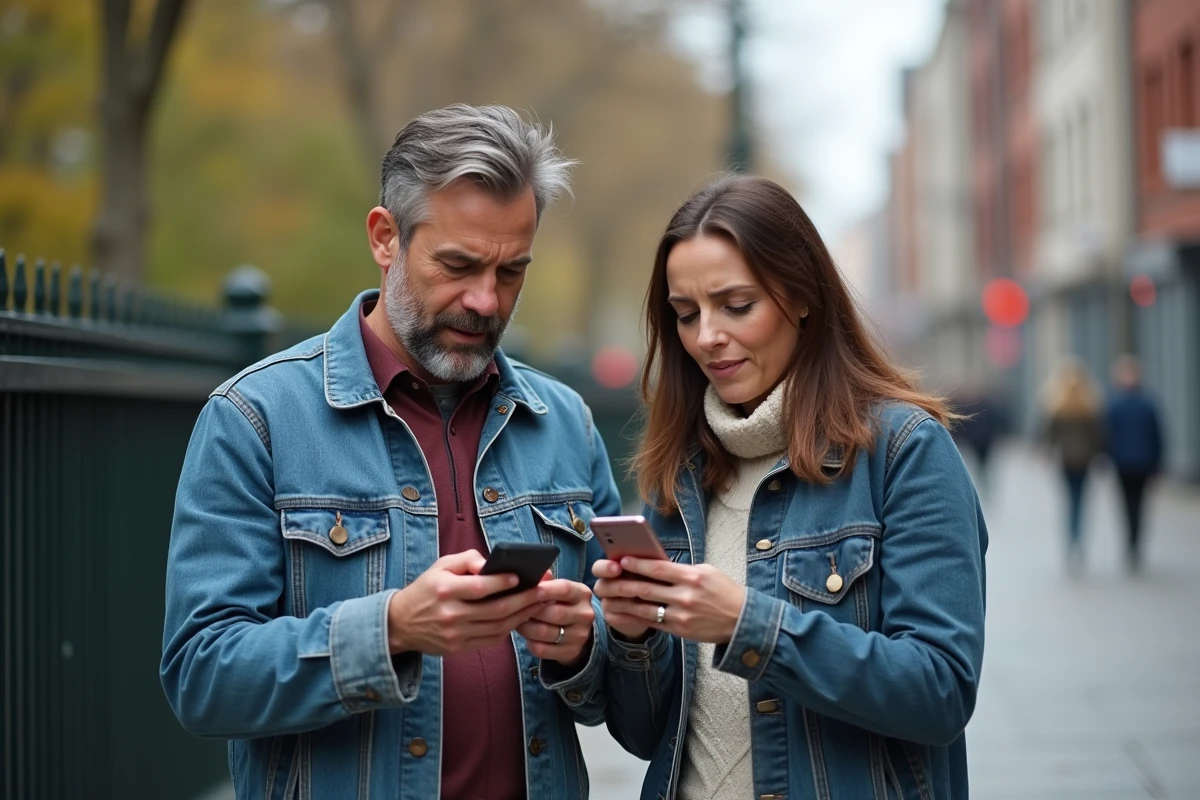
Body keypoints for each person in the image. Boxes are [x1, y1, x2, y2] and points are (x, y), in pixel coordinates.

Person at [160, 105, 633, 799]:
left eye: (511, 272)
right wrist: (390, 629)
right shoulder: (255, 418)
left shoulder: (565, 422)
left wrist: (586, 646)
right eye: (458, 265)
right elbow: (202, 678)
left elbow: (633, 694)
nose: (485, 300)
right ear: (386, 238)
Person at [592, 174, 988, 799]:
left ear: (801, 295)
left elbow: (938, 691)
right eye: (686, 314)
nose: (706, 336)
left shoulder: (906, 451)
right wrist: (633, 636)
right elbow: (649, 737)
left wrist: (749, 625)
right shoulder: (679, 474)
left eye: (736, 305)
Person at [1041, 357, 1106, 572]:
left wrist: (1048, 452)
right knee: (1081, 500)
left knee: (1069, 500)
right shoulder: (1090, 404)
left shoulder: (1057, 404)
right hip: (1085, 460)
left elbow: (1049, 435)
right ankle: (1078, 538)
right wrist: (1099, 455)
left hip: (1065, 460)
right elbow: (1097, 436)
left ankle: (1071, 539)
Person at [1105, 354, 1163, 572]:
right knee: (1138, 504)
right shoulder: (1148, 402)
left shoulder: (1114, 403)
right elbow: (1157, 435)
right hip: (1141, 463)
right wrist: (1157, 463)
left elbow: (1107, 435)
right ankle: (1134, 543)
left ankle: (1131, 542)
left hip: (1124, 463)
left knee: (1128, 504)